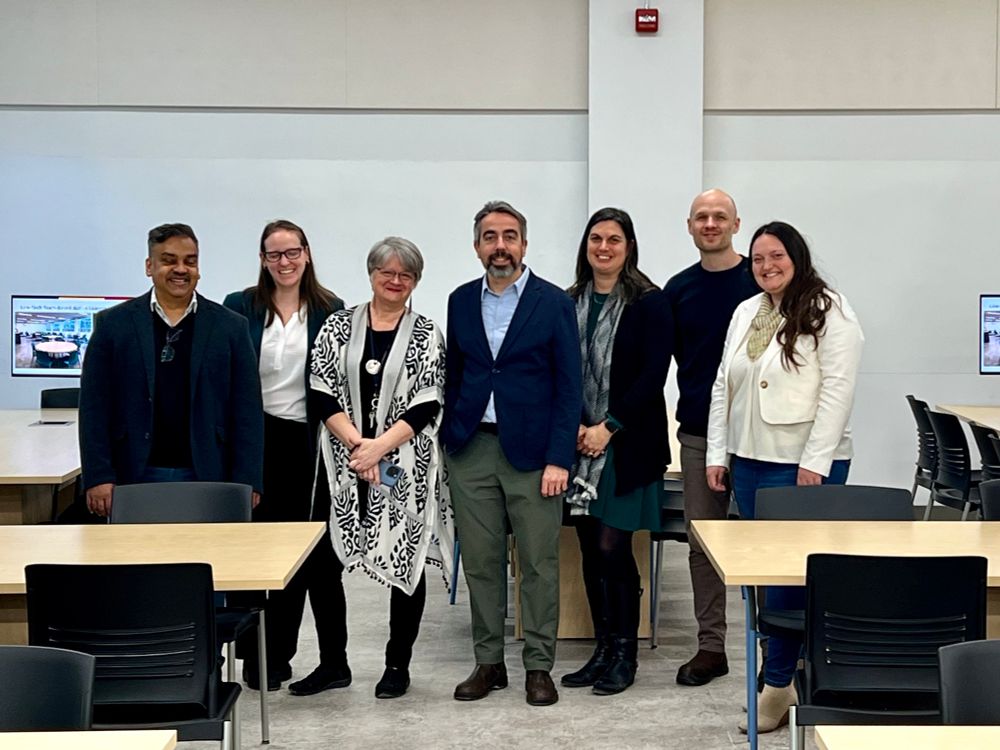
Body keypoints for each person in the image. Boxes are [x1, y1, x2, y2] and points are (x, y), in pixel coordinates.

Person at [705, 220, 864, 733]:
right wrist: (718, 453)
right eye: (757, 259)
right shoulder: (747, 311)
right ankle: (780, 671)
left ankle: (776, 685)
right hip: (749, 459)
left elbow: (838, 391)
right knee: (764, 577)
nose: (766, 266)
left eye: (776, 256)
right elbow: (721, 387)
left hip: (802, 464)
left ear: (796, 256)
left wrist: (815, 461)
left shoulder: (829, 309)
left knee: (791, 581)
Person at [443, 200, 582, 707]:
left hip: (534, 456)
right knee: (480, 563)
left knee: (539, 564)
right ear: (477, 245)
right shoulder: (459, 301)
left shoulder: (553, 303)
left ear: (524, 244)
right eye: (489, 236)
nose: (499, 246)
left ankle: (538, 667)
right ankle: (488, 663)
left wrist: (560, 458)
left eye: (509, 236)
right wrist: (449, 440)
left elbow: (570, 387)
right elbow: (455, 375)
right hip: (471, 450)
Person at [308, 236, 453, 699]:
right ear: (371, 274)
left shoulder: (427, 333)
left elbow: (427, 402)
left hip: (403, 464)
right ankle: (334, 663)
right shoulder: (336, 326)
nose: (395, 281)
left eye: (405, 275)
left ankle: (397, 666)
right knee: (323, 562)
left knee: (405, 563)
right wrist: (358, 447)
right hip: (343, 462)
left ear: (416, 281)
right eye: (386, 272)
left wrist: (379, 451)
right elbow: (321, 391)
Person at [223, 219, 344, 692]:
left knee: (313, 557)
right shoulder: (240, 308)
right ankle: (260, 658)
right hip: (255, 442)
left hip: (310, 445)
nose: (285, 262)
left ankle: (328, 659)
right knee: (257, 556)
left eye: (292, 252)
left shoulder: (331, 309)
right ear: (262, 260)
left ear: (307, 254)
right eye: (274, 254)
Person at [560, 208, 673, 695]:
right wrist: (579, 428)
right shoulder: (568, 302)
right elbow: (559, 371)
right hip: (579, 444)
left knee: (613, 546)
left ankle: (625, 654)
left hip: (626, 446)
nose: (604, 248)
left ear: (629, 247)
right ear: (586, 246)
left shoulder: (650, 301)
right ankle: (601, 650)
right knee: (588, 548)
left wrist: (608, 425)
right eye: (596, 239)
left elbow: (653, 375)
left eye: (614, 240)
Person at [79, 223, 263, 516]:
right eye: (169, 260)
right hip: (134, 474)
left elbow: (247, 412)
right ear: (149, 266)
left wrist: (248, 479)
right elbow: (94, 408)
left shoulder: (230, 327)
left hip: (209, 473)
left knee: (209, 558)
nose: (181, 269)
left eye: (190, 261)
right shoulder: (112, 325)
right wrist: (99, 475)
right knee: (136, 558)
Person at [664, 189, 759, 686]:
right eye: (701, 216)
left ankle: (778, 649)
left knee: (770, 544)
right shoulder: (677, 290)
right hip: (701, 433)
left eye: (719, 216)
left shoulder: (761, 281)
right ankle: (712, 646)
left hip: (763, 440)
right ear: (689, 225)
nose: (710, 223)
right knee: (703, 543)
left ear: (736, 223)